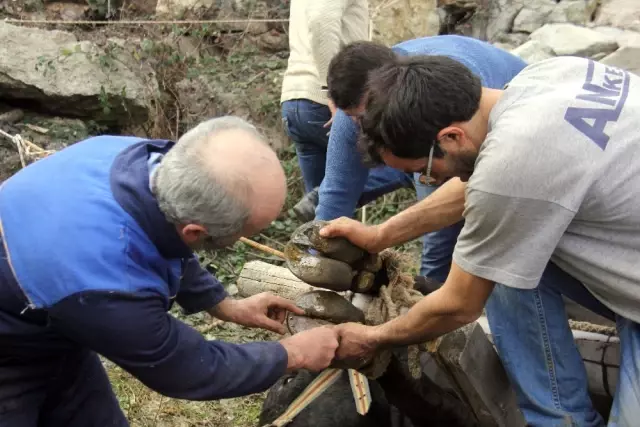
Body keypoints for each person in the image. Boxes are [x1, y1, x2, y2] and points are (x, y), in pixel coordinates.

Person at [321, 55, 640, 425]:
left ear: (451, 136)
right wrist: (379, 235)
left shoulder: (513, 166)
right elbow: (484, 189)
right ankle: (560, 418)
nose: (428, 182)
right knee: (497, 260)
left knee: (484, 265)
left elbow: (458, 305)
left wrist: (375, 337)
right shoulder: (545, 77)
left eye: (422, 172)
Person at [0, 116, 339, 427]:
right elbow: (185, 368)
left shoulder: (139, 161)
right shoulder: (108, 285)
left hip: (54, 323)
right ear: (196, 232)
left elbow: (166, 239)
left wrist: (223, 304)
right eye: (243, 233)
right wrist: (293, 353)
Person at [297, 36, 527, 284]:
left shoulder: (442, 90)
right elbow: (337, 191)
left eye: (367, 115)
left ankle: (433, 288)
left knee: (480, 246)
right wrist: (317, 261)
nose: (364, 125)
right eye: (356, 119)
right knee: (407, 166)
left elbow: (459, 199)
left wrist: (434, 303)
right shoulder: (354, 113)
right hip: (433, 146)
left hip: (517, 141)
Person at [280, 0, 369, 196]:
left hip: (295, 99)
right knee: (400, 164)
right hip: (330, 102)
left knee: (321, 208)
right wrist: (332, 88)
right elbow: (322, 20)